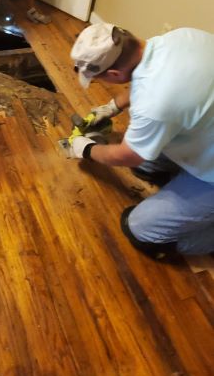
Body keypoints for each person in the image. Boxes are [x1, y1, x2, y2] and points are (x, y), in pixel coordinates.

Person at [69, 22, 214, 258]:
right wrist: (113, 106)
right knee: (146, 167)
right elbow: (146, 79)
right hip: (206, 135)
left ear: (114, 74)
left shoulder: (154, 104)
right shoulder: (183, 37)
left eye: (100, 78)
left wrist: (86, 149)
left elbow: (128, 156)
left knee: (140, 230)